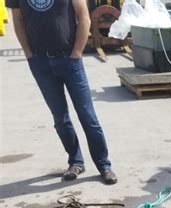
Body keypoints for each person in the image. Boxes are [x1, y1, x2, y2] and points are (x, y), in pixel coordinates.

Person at [7, 0, 118, 184]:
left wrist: (76, 53)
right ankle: (76, 162)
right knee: (60, 118)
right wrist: (29, 54)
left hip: (68, 59)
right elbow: (18, 20)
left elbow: (84, 17)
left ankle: (103, 165)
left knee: (88, 116)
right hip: (40, 62)